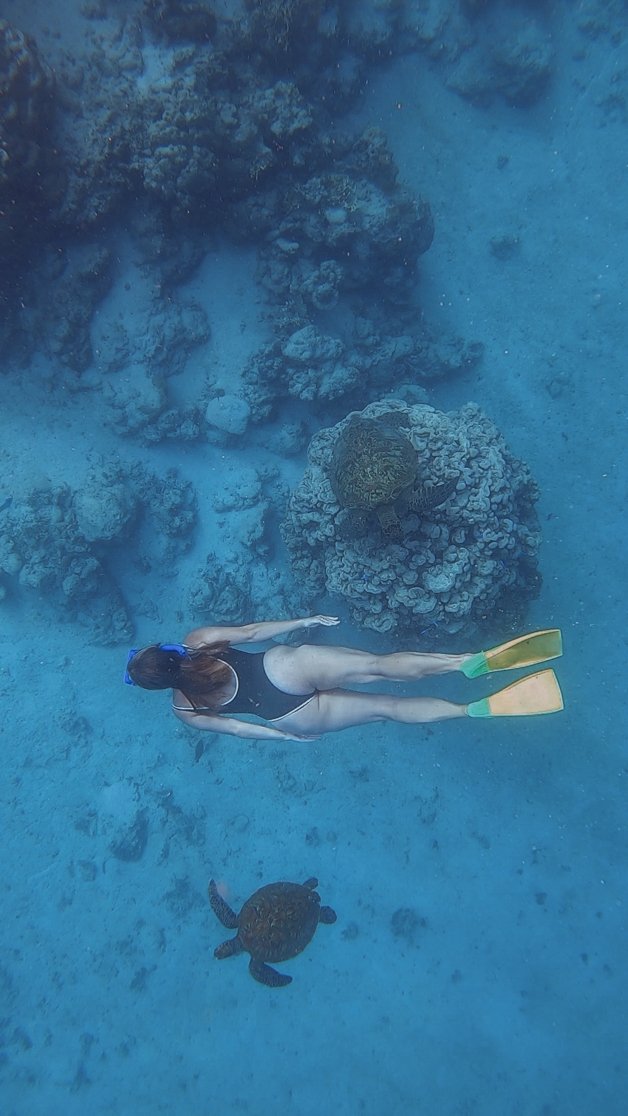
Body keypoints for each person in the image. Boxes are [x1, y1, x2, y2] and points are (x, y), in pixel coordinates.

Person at [123, 616, 564, 741]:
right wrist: (304, 619)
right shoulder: (197, 641)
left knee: (386, 710)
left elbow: (238, 728)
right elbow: (253, 633)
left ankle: (475, 709)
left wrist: (287, 739)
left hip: (286, 713)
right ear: (165, 651)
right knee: (379, 666)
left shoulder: (185, 709)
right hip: (282, 666)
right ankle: (465, 663)